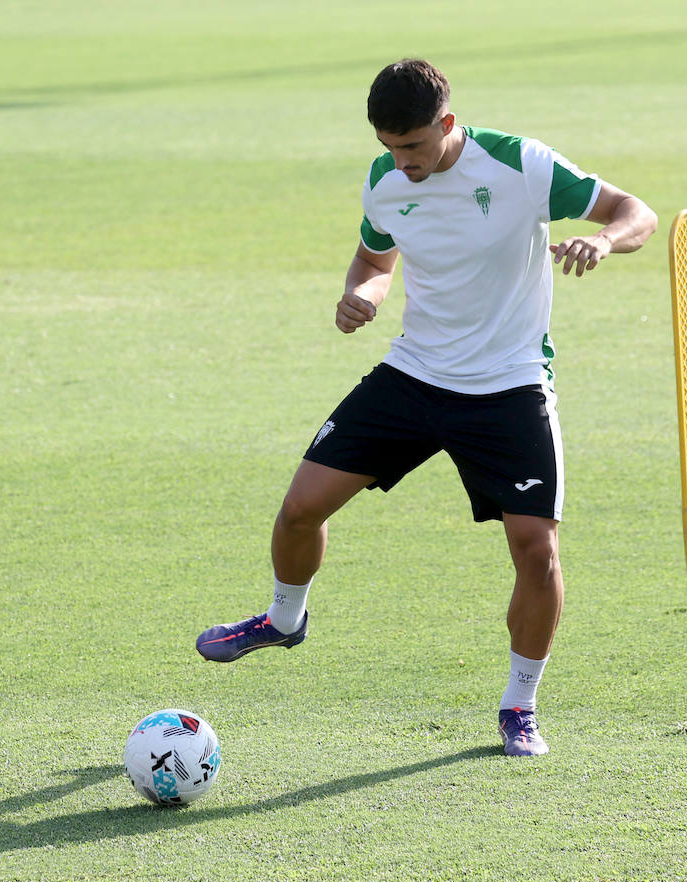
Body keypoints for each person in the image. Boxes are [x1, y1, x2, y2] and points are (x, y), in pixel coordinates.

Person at [196, 59, 657, 756]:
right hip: (415, 374)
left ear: (446, 124)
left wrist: (602, 240)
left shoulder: (520, 165)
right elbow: (375, 261)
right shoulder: (385, 180)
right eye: (389, 147)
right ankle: (284, 619)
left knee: (537, 554)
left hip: (509, 384)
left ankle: (519, 705)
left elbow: (637, 213)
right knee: (299, 509)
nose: (402, 162)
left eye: (413, 146)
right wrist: (364, 297)